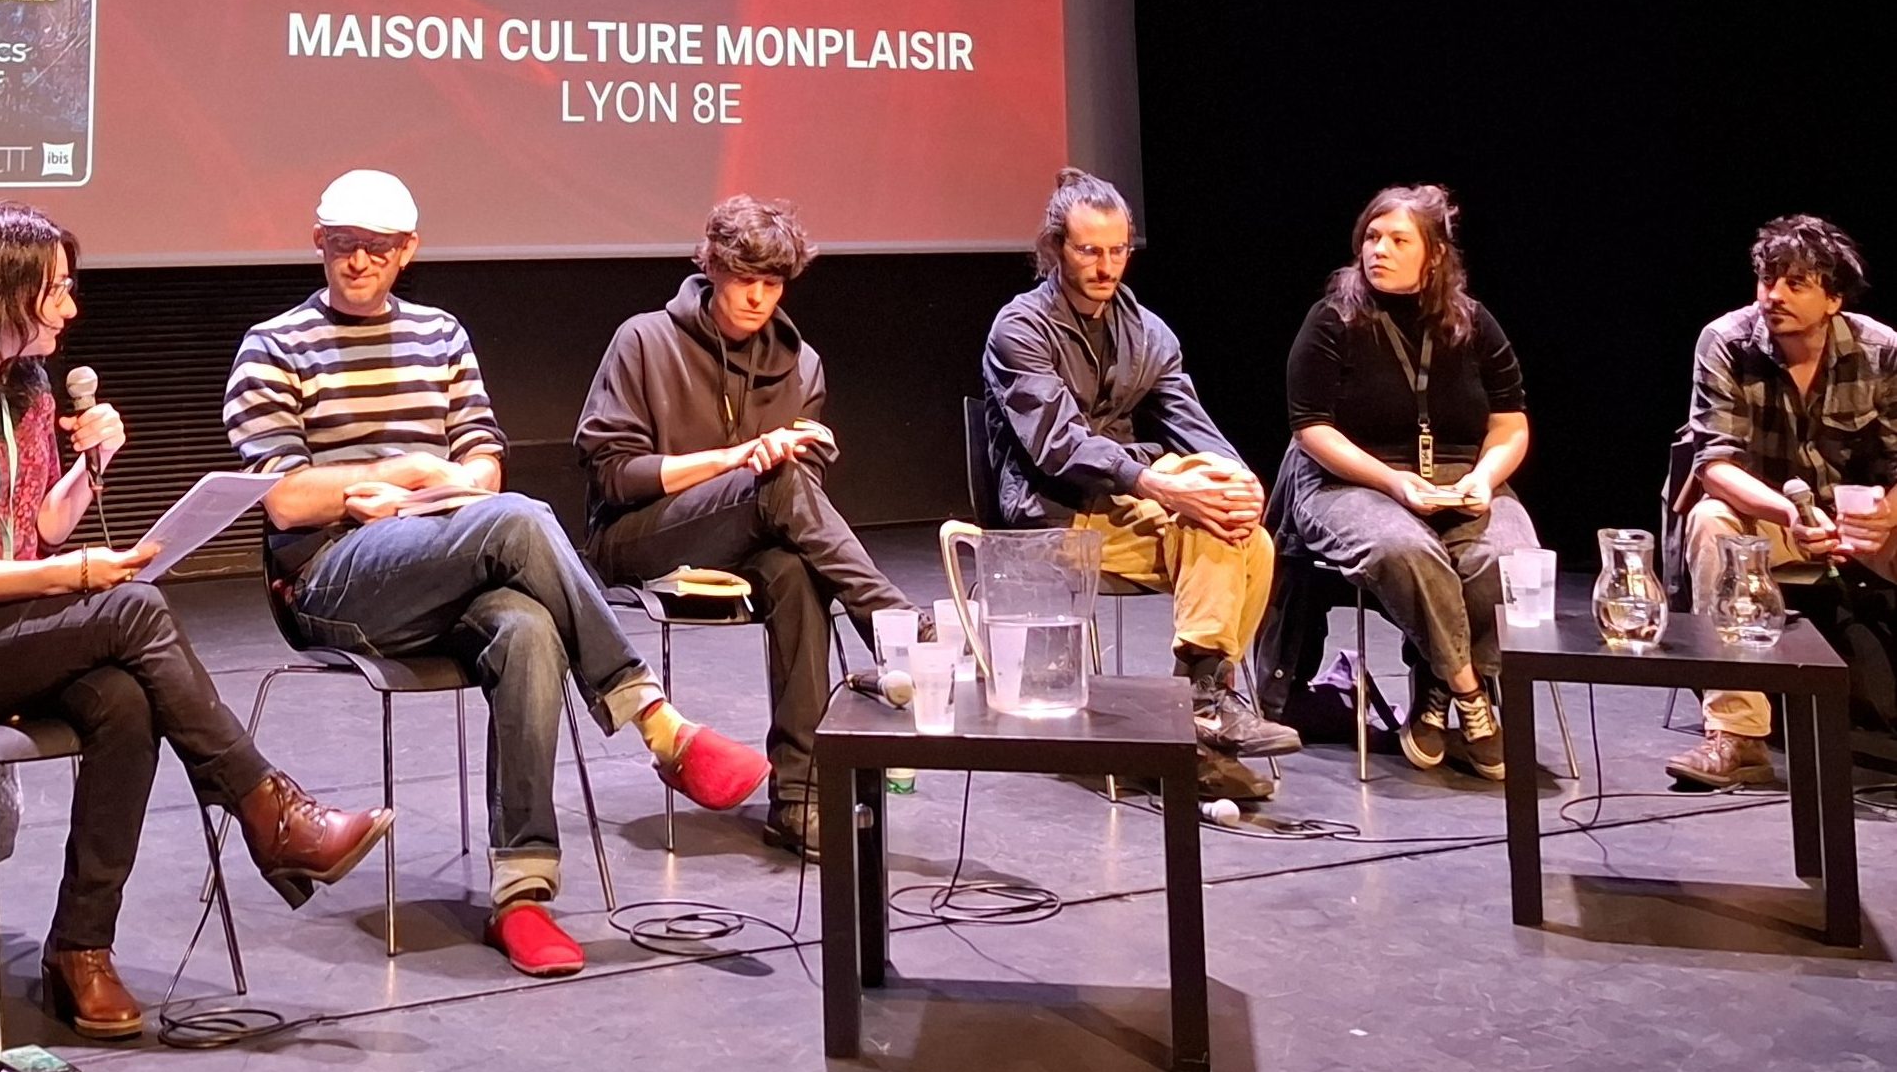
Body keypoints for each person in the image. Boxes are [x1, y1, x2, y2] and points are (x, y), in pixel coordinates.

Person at [0, 204, 392, 1040]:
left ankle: (81, 952)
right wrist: (75, 576)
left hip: (9, 630)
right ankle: (269, 810)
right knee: (132, 607)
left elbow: (41, 526)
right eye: (56, 292)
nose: (70, 310)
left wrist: (88, 468)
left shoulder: (25, 390)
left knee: (125, 701)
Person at [224, 169, 769, 977]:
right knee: (520, 522)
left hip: (446, 557)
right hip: (332, 581)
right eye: (342, 245)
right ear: (318, 242)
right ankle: (656, 723)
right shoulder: (275, 345)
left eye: (377, 248)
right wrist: (406, 472)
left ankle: (521, 895)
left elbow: (481, 474)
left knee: (527, 627)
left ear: (409, 252)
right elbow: (288, 501)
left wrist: (409, 488)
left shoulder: (441, 335)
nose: (358, 262)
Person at [576, 195, 913, 858]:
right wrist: (736, 462)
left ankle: (801, 798)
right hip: (640, 538)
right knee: (778, 482)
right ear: (712, 269)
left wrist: (803, 459)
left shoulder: (801, 364)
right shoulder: (644, 340)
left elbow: (799, 500)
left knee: (797, 571)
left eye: (772, 283)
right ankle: (900, 633)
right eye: (744, 281)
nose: (758, 298)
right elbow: (612, 474)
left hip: (749, 539)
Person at [981, 168, 1298, 805]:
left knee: (1245, 532)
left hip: (1124, 505)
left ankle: (1201, 708)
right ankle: (1203, 717)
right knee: (1209, 517)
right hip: (1052, 513)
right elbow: (1058, 446)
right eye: (1088, 250)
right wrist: (1161, 483)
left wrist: (1238, 480)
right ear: (1056, 248)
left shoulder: (1148, 334)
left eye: (1117, 250)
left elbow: (1193, 425)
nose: (1104, 266)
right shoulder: (1019, 329)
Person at [1273, 184, 1536, 780]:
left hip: (1459, 475)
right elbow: (1311, 429)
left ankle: (1433, 694)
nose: (1379, 250)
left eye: (1398, 239)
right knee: (1406, 550)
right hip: (1348, 480)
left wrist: (1484, 477)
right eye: (1371, 236)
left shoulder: (1472, 323)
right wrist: (1393, 483)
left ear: (1435, 254)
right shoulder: (1332, 319)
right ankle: (1470, 693)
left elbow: (1510, 422)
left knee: (1509, 556)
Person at [1669, 215, 1897, 789]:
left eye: (1796, 283)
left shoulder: (1880, 349)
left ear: (1833, 298)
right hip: (1767, 518)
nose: (1774, 295)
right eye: (1767, 280)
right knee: (1710, 519)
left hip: (1859, 520)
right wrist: (1788, 514)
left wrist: (1887, 512)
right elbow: (1714, 465)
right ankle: (1737, 734)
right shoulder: (1725, 341)